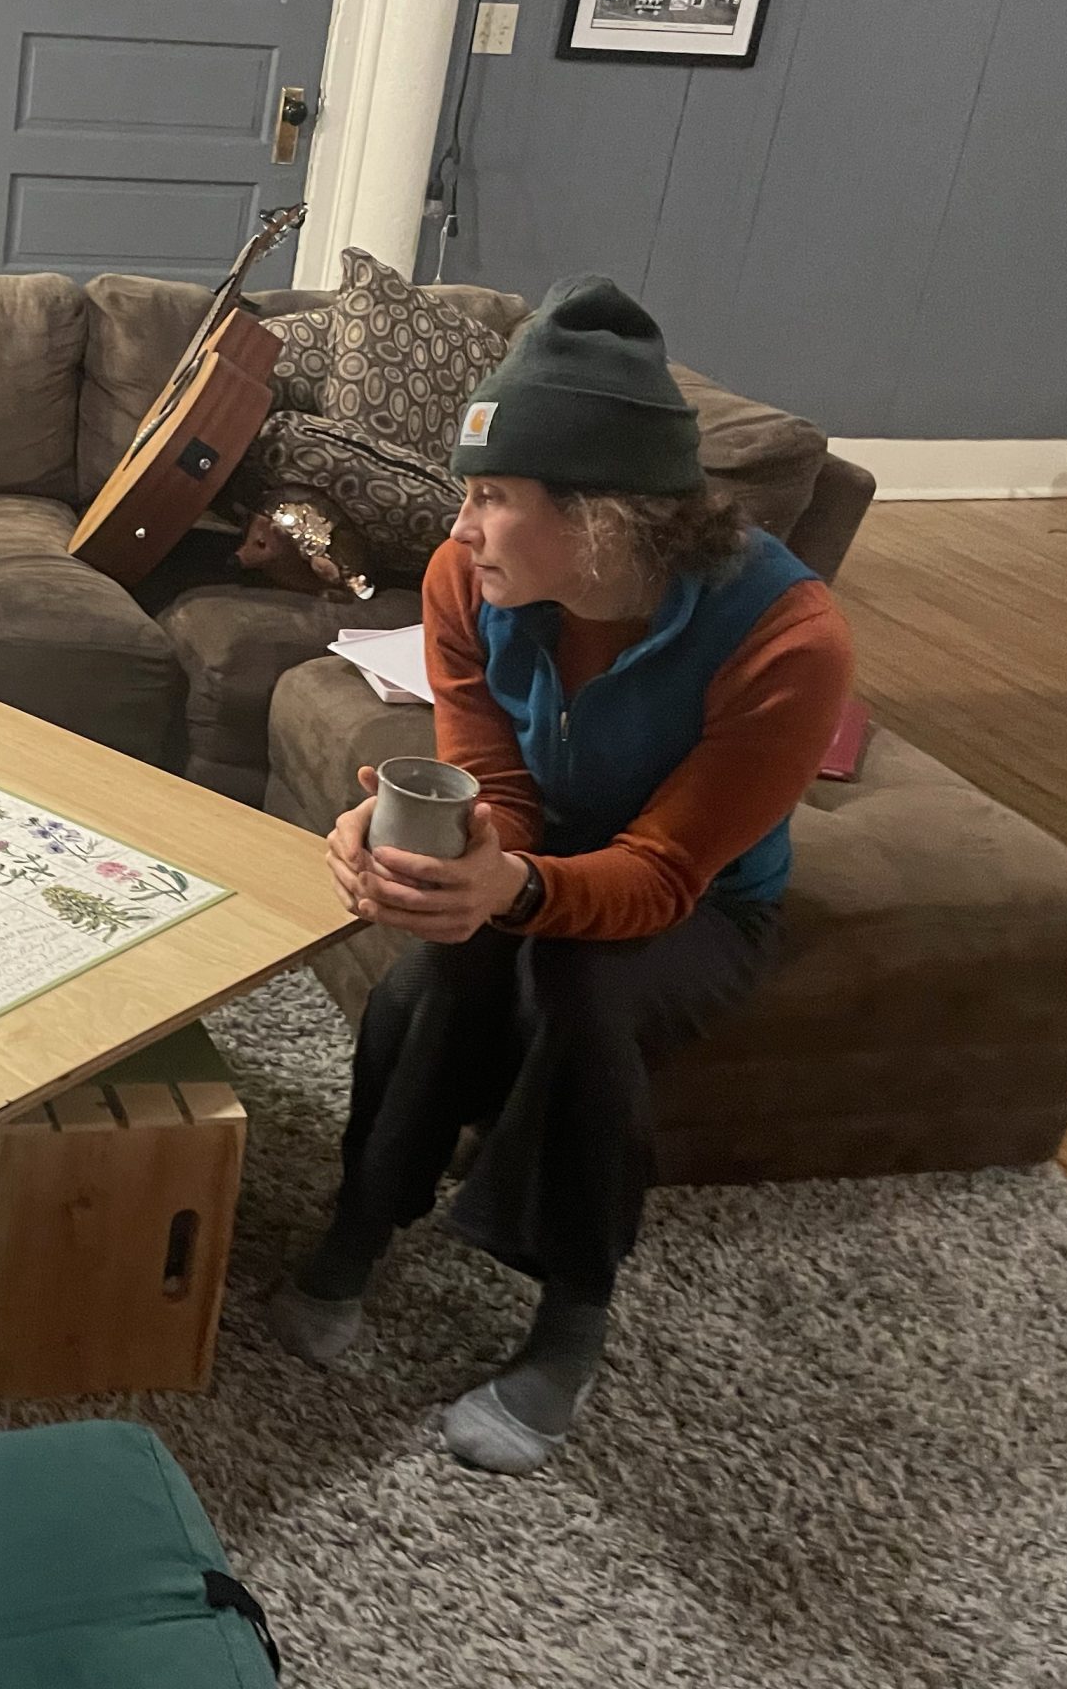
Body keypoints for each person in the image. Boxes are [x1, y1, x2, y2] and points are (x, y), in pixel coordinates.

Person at [267, 277, 853, 1474]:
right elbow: (493, 785)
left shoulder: (788, 639)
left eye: (490, 497)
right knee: (430, 980)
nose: (459, 527)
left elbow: (665, 874)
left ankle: (572, 1315)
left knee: (580, 995)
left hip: (701, 901)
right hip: (538, 854)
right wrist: (410, 841)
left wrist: (517, 894)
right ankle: (359, 1227)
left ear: (602, 518)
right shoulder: (465, 584)